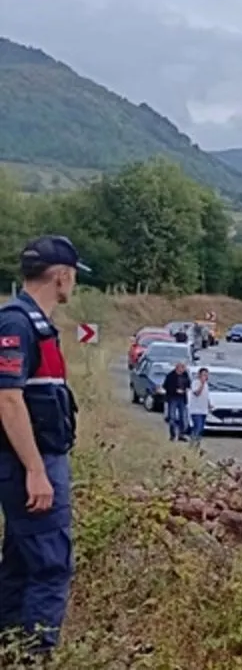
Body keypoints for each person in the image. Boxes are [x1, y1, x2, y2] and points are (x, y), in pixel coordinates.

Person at [0, 235, 87, 655]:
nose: (74, 285)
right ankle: (33, 657)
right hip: (29, 465)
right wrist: (35, 470)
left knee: (20, 563)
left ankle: (10, 650)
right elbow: (8, 399)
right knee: (51, 565)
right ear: (63, 276)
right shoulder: (17, 323)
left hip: (35, 460)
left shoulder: (33, 321)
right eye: (74, 277)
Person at [161, 362, 191, 441]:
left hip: (182, 398)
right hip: (173, 398)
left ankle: (181, 434)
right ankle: (172, 434)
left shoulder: (185, 375)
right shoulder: (170, 376)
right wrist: (175, 390)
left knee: (183, 417)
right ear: (177, 368)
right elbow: (165, 386)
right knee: (172, 417)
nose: (183, 369)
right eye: (182, 367)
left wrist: (186, 389)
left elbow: (188, 384)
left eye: (184, 367)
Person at [187, 367, 212, 445]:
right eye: (203, 375)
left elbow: (206, 396)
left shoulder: (207, 385)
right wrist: (202, 384)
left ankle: (197, 443)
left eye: (206, 375)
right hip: (196, 410)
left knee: (201, 429)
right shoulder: (195, 383)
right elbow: (197, 393)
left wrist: (209, 405)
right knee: (197, 427)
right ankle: (192, 443)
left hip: (203, 410)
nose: (205, 377)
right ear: (199, 375)